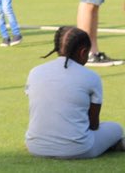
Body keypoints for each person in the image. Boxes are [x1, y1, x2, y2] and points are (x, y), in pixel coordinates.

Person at [25, 25, 125, 158]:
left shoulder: (35, 72)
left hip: (35, 147)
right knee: (116, 128)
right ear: (83, 52)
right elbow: (93, 125)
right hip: (78, 149)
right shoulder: (91, 76)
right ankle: (114, 144)